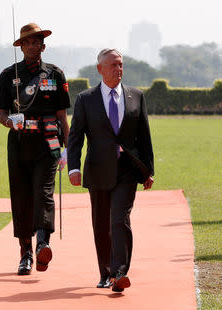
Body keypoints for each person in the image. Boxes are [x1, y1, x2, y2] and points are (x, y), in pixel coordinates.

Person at [67, 49, 154, 292]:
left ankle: (119, 273)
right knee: (101, 223)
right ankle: (105, 273)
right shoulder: (85, 99)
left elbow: (144, 138)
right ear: (100, 69)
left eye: (121, 64)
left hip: (127, 169)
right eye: (114, 65)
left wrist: (148, 170)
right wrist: (73, 167)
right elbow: (75, 137)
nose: (119, 69)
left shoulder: (136, 96)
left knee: (119, 218)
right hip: (97, 170)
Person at [0, 23, 70, 275]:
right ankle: (25, 253)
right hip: (19, 143)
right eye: (28, 42)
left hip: (49, 143)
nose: (33, 46)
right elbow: (1, 113)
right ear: (21, 46)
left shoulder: (56, 75)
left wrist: (68, 149)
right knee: (21, 196)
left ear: (43, 46)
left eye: (37, 42)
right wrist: (9, 122)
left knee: (43, 193)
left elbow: (62, 116)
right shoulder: (8, 75)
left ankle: (42, 244)